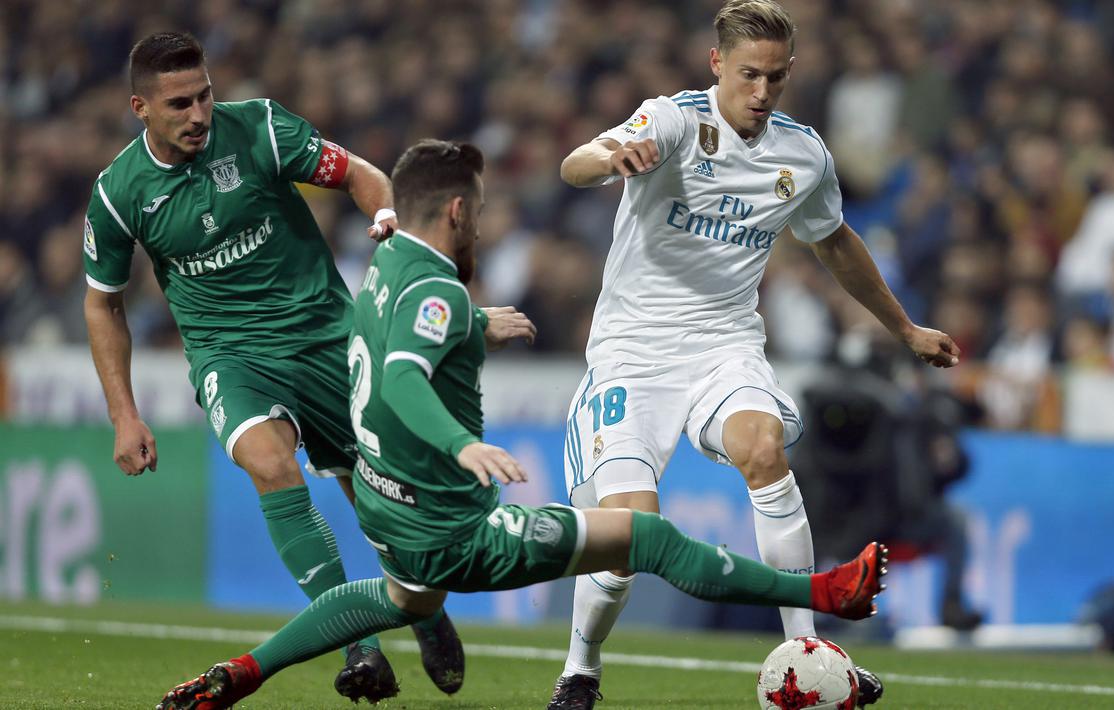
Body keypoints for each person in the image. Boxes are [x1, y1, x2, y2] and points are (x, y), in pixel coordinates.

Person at [155, 139, 890, 710]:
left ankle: (249, 670)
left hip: (387, 513)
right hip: (455, 533)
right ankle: (824, 594)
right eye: (475, 210)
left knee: (396, 598)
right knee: (644, 537)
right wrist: (460, 442)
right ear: (453, 213)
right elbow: (407, 375)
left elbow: (397, 343)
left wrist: (476, 326)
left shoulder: (382, 270)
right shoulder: (436, 287)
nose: (480, 222)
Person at [81, 32, 524, 703]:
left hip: (325, 336)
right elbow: (102, 304)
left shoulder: (257, 125)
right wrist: (123, 414)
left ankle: (425, 610)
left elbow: (359, 172)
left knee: (374, 499)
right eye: (179, 104)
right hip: (231, 356)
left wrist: (383, 212)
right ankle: (359, 647)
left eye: (203, 95)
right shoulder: (119, 193)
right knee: (269, 462)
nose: (199, 113)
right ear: (140, 106)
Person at [550, 1, 959, 706]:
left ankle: (807, 651)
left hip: (723, 347)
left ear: (789, 72)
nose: (761, 92)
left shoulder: (800, 154)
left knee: (764, 448)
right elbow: (573, 164)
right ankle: (580, 668)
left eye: (775, 77)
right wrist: (610, 155)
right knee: (629, 535)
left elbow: (833, 241)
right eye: (748, 75)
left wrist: (904, 329)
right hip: (632, 355)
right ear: (717, 65)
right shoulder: (672, 120)